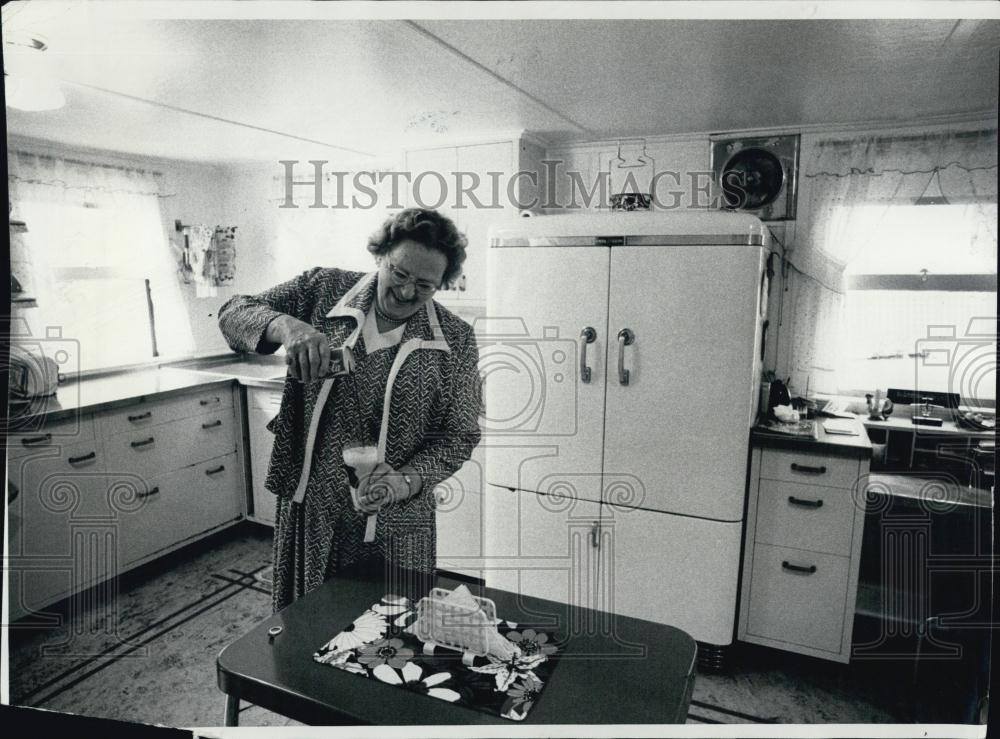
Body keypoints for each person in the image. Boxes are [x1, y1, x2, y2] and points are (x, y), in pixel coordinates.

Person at [218, 208, 482, 611]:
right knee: (304, 627)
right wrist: (288, 327)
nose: (407, 292)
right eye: (399, 274)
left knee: (389, 638)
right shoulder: (322, 289)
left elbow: (459, 435)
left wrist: (406, 480)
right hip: (313, 508)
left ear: (443, 284)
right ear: (380, 256)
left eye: (425, 285)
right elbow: (233, 313)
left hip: (397, 520)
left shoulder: (455, 340)